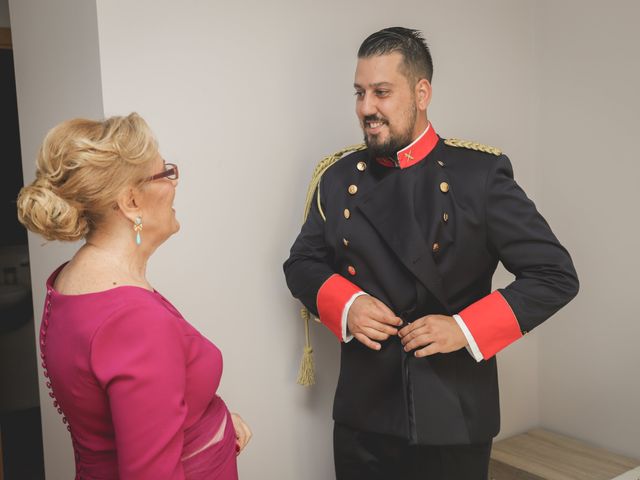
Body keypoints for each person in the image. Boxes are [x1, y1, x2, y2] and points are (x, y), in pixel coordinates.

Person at [283, 27, 578, 480]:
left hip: (453, 414)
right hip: (363, 418)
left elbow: (554, 274)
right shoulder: (338, 177)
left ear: (422, 93)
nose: (366, 108)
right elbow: (301, 265)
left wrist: (464, 328)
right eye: (359, 93)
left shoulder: (478, 174)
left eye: (381, 92)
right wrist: (349, 305)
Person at [17, 113, 251, 479]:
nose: (174, 183)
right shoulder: (135, 321)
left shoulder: (73, 280)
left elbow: (127, 414)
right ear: (130, 202)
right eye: (165, 173)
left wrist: (211, 422)